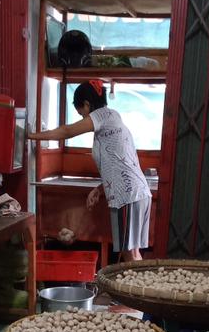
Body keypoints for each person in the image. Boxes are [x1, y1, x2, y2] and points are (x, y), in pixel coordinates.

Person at [28, 80, 151, 261]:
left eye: (81, 113)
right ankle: (137, 288)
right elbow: (119, 162)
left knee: (130, 254)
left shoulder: (102, 115)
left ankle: (137, 289)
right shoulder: (112, 119)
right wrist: (99, 189)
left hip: (127, 195)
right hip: (135, 192)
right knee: (131, 253)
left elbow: (67, 131)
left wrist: (32, 136)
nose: (83, 118)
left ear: (87, 104)